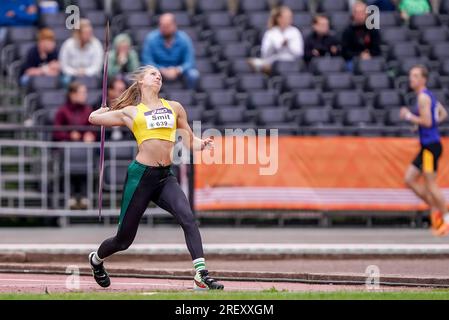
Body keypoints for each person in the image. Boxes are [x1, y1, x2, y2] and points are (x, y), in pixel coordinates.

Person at [87, 65, 224, 290]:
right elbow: (93, 118)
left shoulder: (174, 107)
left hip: (164, 177)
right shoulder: (131, 111)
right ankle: (96, 260)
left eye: (159, 74)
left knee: (187, 217)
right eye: (152, 73)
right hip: (140, 177)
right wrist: (103, 109)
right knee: (123, 240)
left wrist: (203, 144)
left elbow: (190, 141)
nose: (158, 75)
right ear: (140, 81)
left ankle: (201, 274)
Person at [400, 65, 449, 236]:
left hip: (430, 146)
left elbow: (428, 122)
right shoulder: (428, 96)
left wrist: (408, 116)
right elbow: (442, 114)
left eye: (415, 76)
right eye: (411, 75)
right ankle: (436, 208)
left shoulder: (422, 98)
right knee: (409, 179)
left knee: (430, 185)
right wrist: (421, 125)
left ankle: (445, 218)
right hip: (428, 145)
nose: (411, 79)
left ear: (423, 79)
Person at [53, 81, 96, 210]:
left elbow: (93, 129)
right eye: (81, 92)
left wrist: (90, 135)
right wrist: (69, 136)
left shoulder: (88, 110)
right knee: (70, 162)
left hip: (84, 151)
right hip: (66, 150)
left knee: (85, 161)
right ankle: (70, 195)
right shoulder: (62, 111)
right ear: (72, 94)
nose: (85, 95)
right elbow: (56, 132)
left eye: (85, 92)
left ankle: (84, 196)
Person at [141, 13, 198, 90]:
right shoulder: (151, 39)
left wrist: (178, 70)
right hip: (158, 71)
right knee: (145, 76)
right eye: (162, 26)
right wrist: (161, 70)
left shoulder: (184, 39)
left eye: (167, 26)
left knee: (193, 74)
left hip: (178, 72)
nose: (164, 29)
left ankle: (189, 98)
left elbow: (190, 62)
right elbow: (147, 61)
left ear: (174, 25)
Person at [248, 5, 304, 74]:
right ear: (279, 19)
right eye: (287, 17)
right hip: (273, 62)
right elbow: (265, 54)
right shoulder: (270, 33)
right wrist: (275, 46)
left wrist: (288, 45)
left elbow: (299, 53)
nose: (290, 19)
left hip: (291, 63)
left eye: (290, 17)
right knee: (252, 62)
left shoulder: (295, 32)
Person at [58, 19, 103, 85]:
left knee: (100, 80)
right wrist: (75, 72)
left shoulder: (96, 44)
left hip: (91, 76)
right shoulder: (68, 44)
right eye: (86, 33)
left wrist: (85, 72)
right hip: (71, 76)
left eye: (90, 32)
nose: (89, 35)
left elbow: (97, 66)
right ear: (78, 33)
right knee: (64, 80)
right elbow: (63, 65)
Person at [341, 1, 381, 71]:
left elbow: (377, 49)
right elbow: (345, 51)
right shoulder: (347, 31)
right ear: (353, 14)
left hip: (371, 59)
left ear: (366, 14)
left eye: (362, 12)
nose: (360, 15)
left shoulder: (373, 30)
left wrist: (369, 55)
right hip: (353, 60)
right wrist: (359, 55)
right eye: (357, 13)